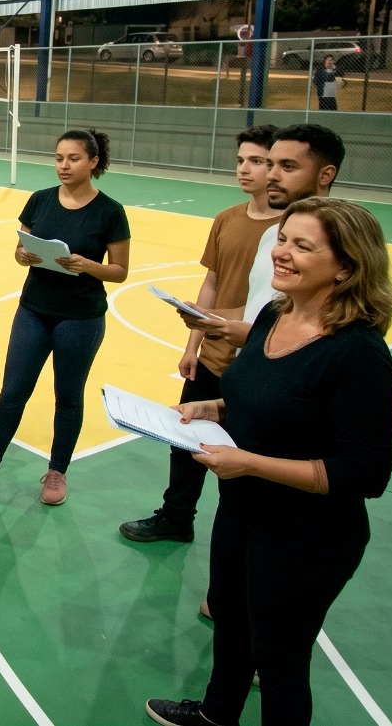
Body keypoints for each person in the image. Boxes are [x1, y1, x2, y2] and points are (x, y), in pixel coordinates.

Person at [144, 199, 392, 726]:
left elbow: (364, 474)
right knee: (232, 627)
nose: (281, 253)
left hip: (307, 537)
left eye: (303, 246)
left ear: (347, 267)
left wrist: (252, 463)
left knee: (279, 660)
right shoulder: (272, 315)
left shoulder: (358, 356)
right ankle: (217, 715)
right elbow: (263, 398)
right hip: (243, 513)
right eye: (283, 239)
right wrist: (211, 406)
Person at [119, 125, 280, 545]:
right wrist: (193, 344)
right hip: (212, 353)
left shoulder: (291, 230)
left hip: (256, 357)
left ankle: (239, 544)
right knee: (185, 438)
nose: (245, 169)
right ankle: (176, 518)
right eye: (241, 160)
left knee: (241, 456)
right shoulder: (227, 218)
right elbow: (211, 281)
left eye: (258, 161)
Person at [0, 129, 130, 505]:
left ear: (93, 162)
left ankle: (56, 473)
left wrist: (88, 266)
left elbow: (120, 271)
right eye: (58, 158)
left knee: (67, 396)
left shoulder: (109, 211)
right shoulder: (39, 201)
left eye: (73, 158)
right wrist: (22, 255)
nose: (64, 166)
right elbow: (24, 246)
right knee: (13, 391)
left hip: (80, 318)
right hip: (33, 310)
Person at [183, 125, 345, 354]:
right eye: (270, 165)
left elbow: (343, 324)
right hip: (251, 370)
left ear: (326, 174)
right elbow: (262, 306)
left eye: (287, 166)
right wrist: (208, 317)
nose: (272, 176)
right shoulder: (272, 236)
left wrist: (255, 336)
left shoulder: (345, 239)